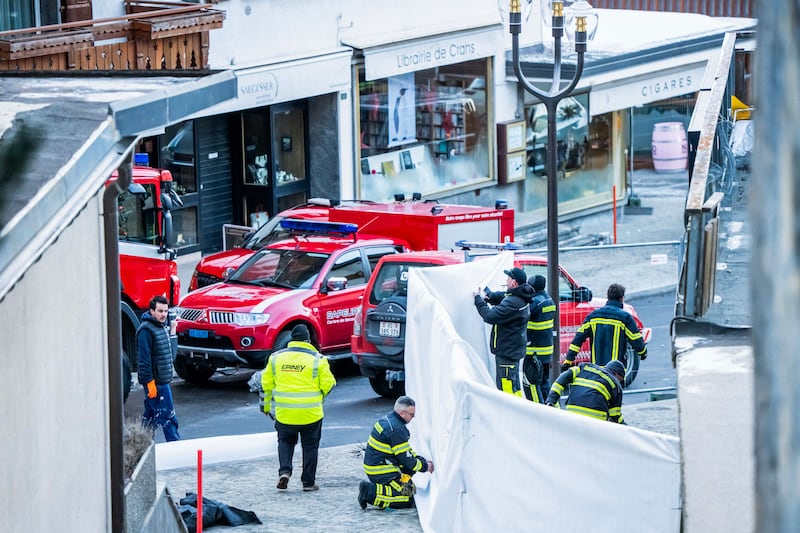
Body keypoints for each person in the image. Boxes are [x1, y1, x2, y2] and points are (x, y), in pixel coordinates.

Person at [262, 324, 336, 492]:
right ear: (308, 340)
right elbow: (329, 384)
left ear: (292, 340)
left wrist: (266, 406)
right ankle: (308, 483)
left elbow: (266, 385)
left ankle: (285, 472)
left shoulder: (275, 358)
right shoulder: (318, 359)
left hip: (285, 414)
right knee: (310, 446)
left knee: (285, 441)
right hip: (311, 414)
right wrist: (320, 397)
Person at [358, 396, 434, 510]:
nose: (413, 417)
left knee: (409, 490)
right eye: (412, 415)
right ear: (403, 413)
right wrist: (425, 467)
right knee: (406, 499)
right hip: (382, 470)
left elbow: (405, 451)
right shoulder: (397, 430)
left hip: (380, 465)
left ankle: (382, 489)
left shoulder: (389, 420)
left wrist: (419, 459)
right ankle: (369, 492)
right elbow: (407, 459)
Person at [561, 283, 647, 374]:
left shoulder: (593, 316)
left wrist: (569, 359)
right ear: (621, 298)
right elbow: (636, 340)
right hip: (615, 372)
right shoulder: (625, 318)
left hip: (596, 369)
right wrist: (643, 353)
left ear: (608, 297)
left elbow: (578, 339)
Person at [473, 267, 533, 396]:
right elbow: (502, 297)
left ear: (514, 283)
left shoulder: (514, 302)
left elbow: (489, 316)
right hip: (512, 350)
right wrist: (488, 294)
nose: (506, 280)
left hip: (507, 353)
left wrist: (478, 299)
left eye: (508, 278)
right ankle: (518, 411)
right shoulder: (519, 296)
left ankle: (511, 414)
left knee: (506, 389)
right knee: (513, 386)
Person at [137, 295, 181, 441]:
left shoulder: (160, 328)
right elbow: (144, 360)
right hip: (157, 384)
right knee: (169, 418)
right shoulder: (146, 331)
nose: (164, 315)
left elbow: (170, 356)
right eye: (160, 311)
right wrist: (149, 383)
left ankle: (138, 446)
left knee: (149, 419)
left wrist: (173, 332)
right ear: (151, 311)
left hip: (162, 381)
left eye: (166, 311)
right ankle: (176, 450)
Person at [546, 360, 626, 423]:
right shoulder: (616, 385)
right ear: (616, 374)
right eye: (621, 380)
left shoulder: (585, 367)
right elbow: (615, 417)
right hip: (596, 420)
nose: (620, 383)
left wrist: (551, 400)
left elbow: (563, 378)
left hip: (571, 413)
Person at [523, 274, 556, 403]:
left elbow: (520, 312)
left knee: (533, 385)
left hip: (534, 352)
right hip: (546, 352)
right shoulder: (549, 300)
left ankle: (540, 412)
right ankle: (552, 409)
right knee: (544, 384)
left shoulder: (535, 302)